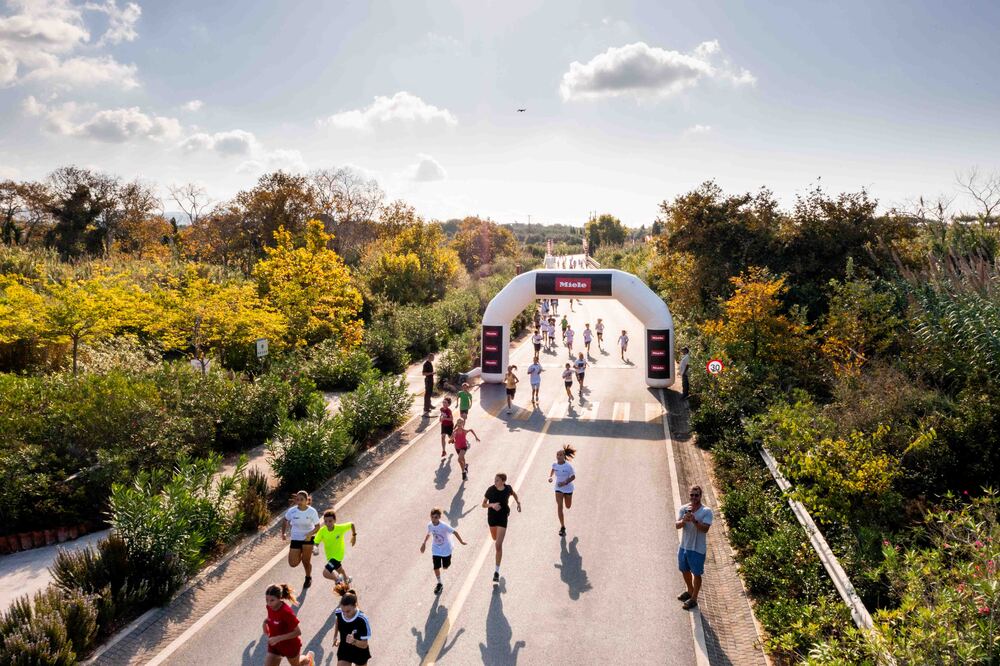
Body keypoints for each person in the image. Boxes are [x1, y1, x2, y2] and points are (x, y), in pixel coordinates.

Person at [675, 485, 714, 610]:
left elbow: (705, 529)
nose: (694, 497)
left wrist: (694, 521)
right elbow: (677, 525)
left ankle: (694, 598)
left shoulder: (706, 511)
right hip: (684, 546)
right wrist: (684, 521)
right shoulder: (684, 509)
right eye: (692, 495)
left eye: (696, 495)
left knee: (696, 573)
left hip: (697, 549)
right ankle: (689, 590)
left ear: (700, 496)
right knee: (684, 569)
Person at [482, 473, 521, 582]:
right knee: (494, 538)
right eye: (495, 480)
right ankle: (498, 538)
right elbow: (483, 504)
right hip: (492, 518)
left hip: (503, 517)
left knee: (498, 545)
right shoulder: (491, 490)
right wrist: (492, 505)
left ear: (503, 481)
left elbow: (514, 494)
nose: (495, 482)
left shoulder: (508, 489)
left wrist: (518, 502)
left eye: (497, 480)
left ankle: (496, 572)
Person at [419, 507, 467, 594]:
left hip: (446, 550)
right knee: (436, 567)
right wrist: (424, 543)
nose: (434, 519)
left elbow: (455, 532)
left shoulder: (444, 526)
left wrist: (461, 541)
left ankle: (446, 564)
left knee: (445, 567)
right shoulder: (430, 525)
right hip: (436, 549)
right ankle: (439, 583)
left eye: (436, 517)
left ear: (439, 517)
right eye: (432, 517)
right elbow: (429, 534)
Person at [262, 584, 313, 666]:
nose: (269, 603)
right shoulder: (269, 607)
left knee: (297, 665)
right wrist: (265, 622)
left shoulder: (286, 612)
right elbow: (272, 617)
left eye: (272, 600)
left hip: (290, 646)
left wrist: (278, 638)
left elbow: (298, 632)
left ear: (279, 598)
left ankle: (307, 660)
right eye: (266, 600)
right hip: (275, 645)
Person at [281, 491, 321, 589]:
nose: (299, 502)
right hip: (296, 538)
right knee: (293, 563)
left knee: (305, 561)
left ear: (307, 500)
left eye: (301, 500)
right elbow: (285, 520)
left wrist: (310, 534)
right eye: (297, 499)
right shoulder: (292, 511)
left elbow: (317, 526)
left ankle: (308, 578)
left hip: (308, 538)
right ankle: (304, 551)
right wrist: (283, 533)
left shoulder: (312, 511)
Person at [313, 509, 357, 587]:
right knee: (339, 569)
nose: (327, 523)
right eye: (325, 521)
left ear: (335, 520)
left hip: (338, 555)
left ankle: (338, 580)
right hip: (330, 556)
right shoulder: (322, 531)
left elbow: (352, 524)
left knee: (325, 573)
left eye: (330, 521)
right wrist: (315, 548)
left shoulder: (340, 528)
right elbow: (316, 541)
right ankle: (347, 579)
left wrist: (354, 536)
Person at [331, 583, 372, 665]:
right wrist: (335, 636)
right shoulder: (339, 613)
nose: (345, 614)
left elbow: (364, 644)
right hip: (344, 649)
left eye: (348, 611)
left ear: (355, 606)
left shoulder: (362, 620)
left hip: (359, 651)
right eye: (343, 611)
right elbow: (338, 621)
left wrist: (353, 641)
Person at [548, 445, 577, 537]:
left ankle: (563, 526)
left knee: (568, 506)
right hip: (558, 488)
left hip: (568, 489)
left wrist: (565, 482)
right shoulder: (555, 464)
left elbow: (573, 477)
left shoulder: (568, 466)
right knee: (559, 507)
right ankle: (562, 527)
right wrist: (550, 477)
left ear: (564, 456)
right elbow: (553, 470)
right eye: (557, 455)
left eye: (560, 455)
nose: (558, 456)